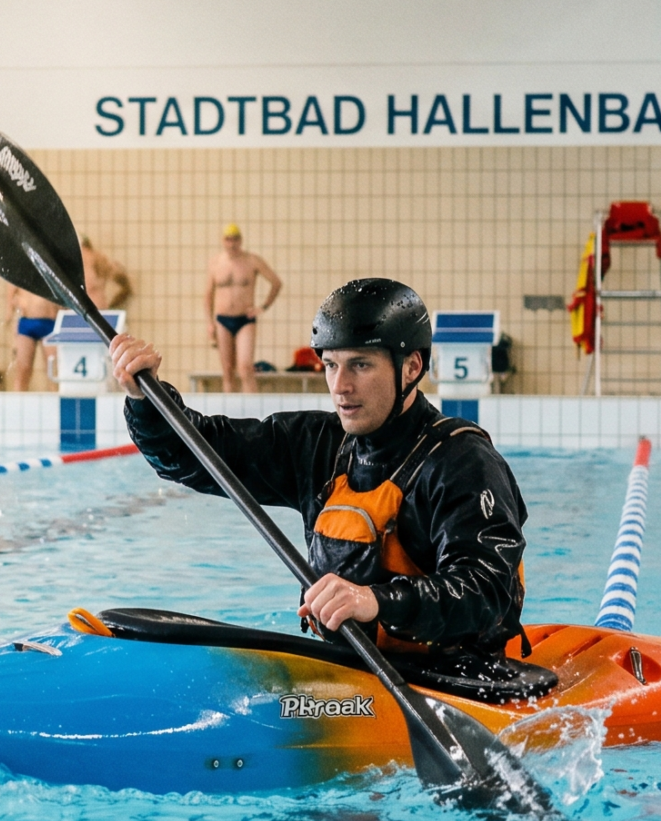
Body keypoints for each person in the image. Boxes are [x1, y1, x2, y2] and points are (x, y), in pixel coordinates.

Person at [109, 278, 549, 701]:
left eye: (360, 364)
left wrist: (374, 601)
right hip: (351, 669)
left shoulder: (463, 461)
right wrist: (145, 400)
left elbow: (486, 590)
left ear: (412, 367)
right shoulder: (319, 445)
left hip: (462, 678)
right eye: (331, 364)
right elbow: (197, 453)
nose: (340, 386)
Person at [206, 224, 282, 393]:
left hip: (245, 320)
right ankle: (230, 417)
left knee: (245, 368)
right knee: (227, 370)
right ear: (223, 241)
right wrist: (209, 322)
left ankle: (253, 415)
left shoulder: (252, 261)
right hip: (222, 320)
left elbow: (276, 283)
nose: (232, 244)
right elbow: (208, 295)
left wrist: (263, 307)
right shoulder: (216, 263)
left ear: (241, 240)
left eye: (235, 239)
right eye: (228, 239)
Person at [7, 283, 58, 392]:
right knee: (23, 370)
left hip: (51, 323)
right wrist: (10, 311)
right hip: (27, 322)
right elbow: (11, 290)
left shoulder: (55, 266)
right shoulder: (22, 268)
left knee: (53, 372)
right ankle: (18, 405)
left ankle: (56, 405)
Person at [81, 236, 133, 312]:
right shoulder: (99, 259)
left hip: (91, 312)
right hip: (95, 312)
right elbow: (125, 285)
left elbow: (124, 285)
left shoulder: (97, 259)